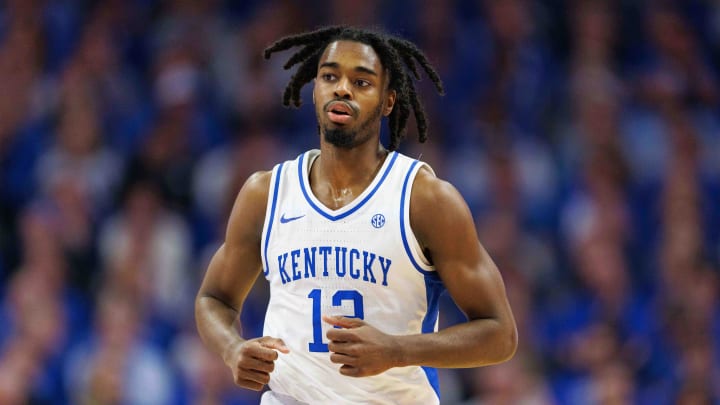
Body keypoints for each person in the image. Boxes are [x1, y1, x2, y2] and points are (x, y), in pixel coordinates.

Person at [195, 25, 518, 405]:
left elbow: (500, 335)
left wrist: (397, 350)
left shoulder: (425, 199)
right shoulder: (266, 194)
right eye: (329, 76)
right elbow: (213, 298)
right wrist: (232, 348)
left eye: (361, 82)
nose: (342, 89)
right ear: (315, 90)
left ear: (388, 102)